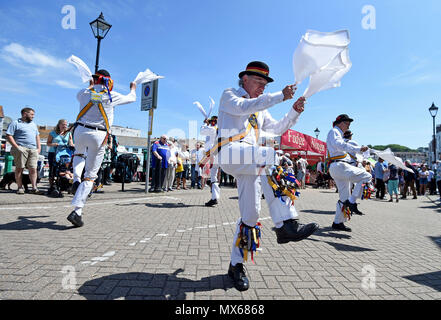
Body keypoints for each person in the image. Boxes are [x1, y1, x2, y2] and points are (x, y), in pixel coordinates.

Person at [216, 61, 318, 291]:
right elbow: (244, 107)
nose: (263, 86)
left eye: (265, 83)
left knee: (251, 215)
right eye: (259, 82)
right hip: (230, 153)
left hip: (251, 160)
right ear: (245, 79)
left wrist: (294, 111)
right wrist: (280, 96)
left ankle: (236, 265)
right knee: (268, 154)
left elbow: (278, 129)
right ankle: (285, 224)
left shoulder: (261, 109)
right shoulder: (230, 95)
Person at [67, 69, 136, 227]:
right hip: (98, 135)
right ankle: (77, 211)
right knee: (91, 175)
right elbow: (131, 98)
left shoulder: (83, 93)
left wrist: (90, 86)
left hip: (79, 130)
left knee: (78, 154)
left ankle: (76, 179)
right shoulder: (111, 95)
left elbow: (84, 94)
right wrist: (133, 87)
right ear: (108, 80)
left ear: (94, 79)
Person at [326, 114, 372, 232]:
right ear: (340, 123)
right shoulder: (334, 131)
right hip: (339, 166)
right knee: (367, 176)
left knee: (343, 197)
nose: (348, 126)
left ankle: (338, 222)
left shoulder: (337, 133)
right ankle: (352, 202)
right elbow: (338, 144)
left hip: (337, 166)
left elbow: (340, 146)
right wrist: (357, 149)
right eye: (347, 123)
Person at [5, 107, 41, 194]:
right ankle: (20, 188)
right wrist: (17, 147)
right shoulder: (15, 123)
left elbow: (37, 136)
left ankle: (34, 188)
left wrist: (39, 148)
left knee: (33, 169)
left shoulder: (33, 124)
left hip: (33, 149)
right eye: (31, 114)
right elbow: (9, 135)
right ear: (25, 114)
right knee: (19, 168)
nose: (33, 116)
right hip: (21, 148)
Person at [46, 119, 74, 194]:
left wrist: (72, 145)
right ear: (59, 125)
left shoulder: (68, 133)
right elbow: (48, 143)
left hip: (65, 154)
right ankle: (52, 186)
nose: (65, 126)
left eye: (66, 124)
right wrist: (54, 144)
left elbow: (71, 143)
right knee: (52, 170)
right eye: (63, 124)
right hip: (54, 153)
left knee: (65, 169)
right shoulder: (52, 133)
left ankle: (65, 185)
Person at [200, 116, 221, 207]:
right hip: (217, 153)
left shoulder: (213, 129)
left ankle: (214, 197)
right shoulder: (219, 129)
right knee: (213, 175)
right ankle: (214, 194)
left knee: (213, 175)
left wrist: (205, 123)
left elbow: (202, 131)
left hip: (213, 153)